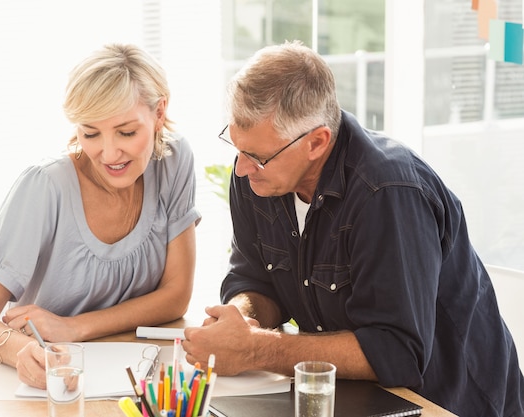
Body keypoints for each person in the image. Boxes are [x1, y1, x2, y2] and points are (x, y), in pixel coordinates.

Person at [181, 40, 524, 417]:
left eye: (258, 157)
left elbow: (397, 352)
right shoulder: (259, 177)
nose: (242, 169)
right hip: (353, 398)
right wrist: (238, 318)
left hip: (446, 402)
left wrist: (256, 349)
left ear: (316, 142)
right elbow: (256, 280)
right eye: (237, 147)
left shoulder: (387, 193)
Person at [0, 43, 201, 390]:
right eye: (90, 133)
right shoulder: (45, 186)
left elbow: (176, 294)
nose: (110, 153)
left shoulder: (173, 159)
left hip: (141, 379)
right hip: (56, 382)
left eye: (127, 132)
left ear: (160, 112)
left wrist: (76, 327)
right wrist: (21, 351)